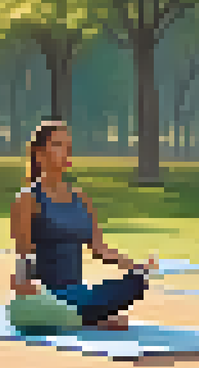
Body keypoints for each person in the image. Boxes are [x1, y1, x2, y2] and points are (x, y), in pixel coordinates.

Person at [9, 120, 158, 330]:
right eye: (58, 145)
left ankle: (81, 317)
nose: (67, 151)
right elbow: (23, 253)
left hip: (78, 293)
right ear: (39, 154)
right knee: (62, 304)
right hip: (47, 295)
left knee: (136, 284)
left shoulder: (80, 198)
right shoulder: (27, 199)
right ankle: (87, 318)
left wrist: (137, 266)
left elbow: (100, 249)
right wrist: (24, 285)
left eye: (68, 146)